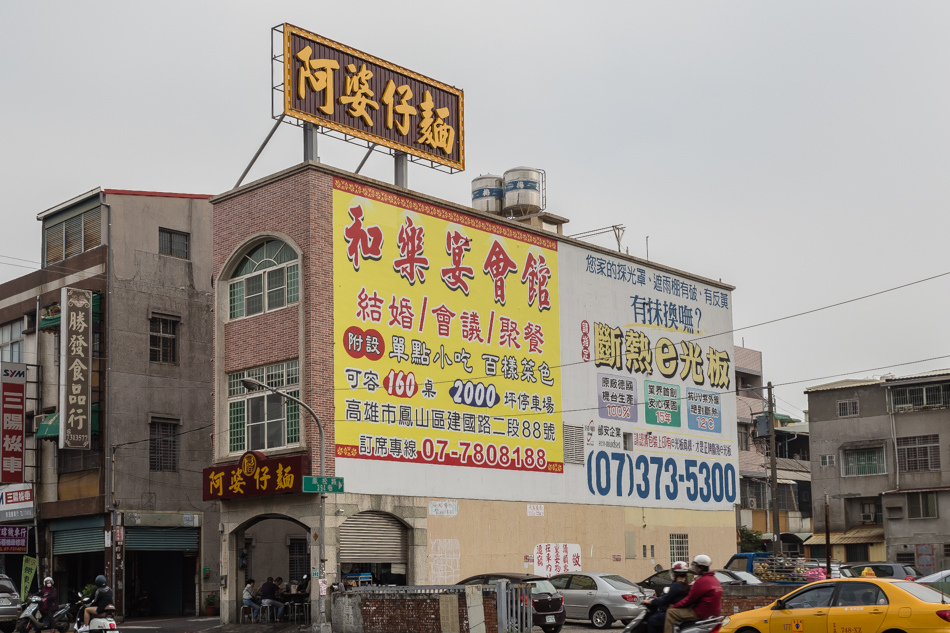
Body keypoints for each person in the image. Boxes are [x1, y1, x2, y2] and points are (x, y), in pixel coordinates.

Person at [663, 555, 722, 633]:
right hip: (714, 613)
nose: (695, 568)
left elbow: (689, 599)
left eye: (696, 566)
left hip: (701, 613)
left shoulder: (701, 581)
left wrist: (674, 606)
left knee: (670, 613)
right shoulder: (714, 579)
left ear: (701, 567)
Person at [643, 562, 690, 633]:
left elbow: (665, 599)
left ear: (675, 574)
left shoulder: (677, 585)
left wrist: (651, 601)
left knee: (652, 620)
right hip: (680, 611)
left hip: (674, 612)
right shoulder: (685, 585)